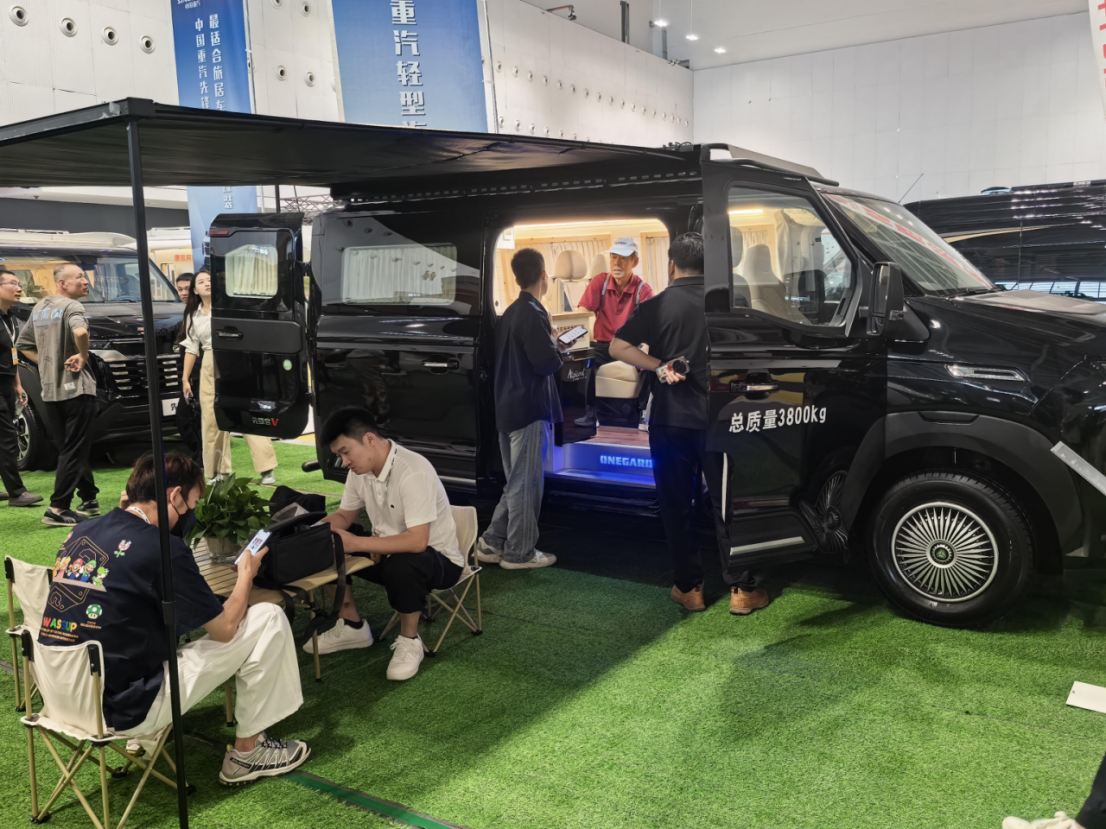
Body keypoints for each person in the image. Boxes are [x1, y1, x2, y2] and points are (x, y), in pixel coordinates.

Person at [37, 451, 309, 785]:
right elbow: (224, 630)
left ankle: (147, 737)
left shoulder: (81, 530)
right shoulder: (163, 548)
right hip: (122, 710)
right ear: (175, 496)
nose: (190, 514)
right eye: (192, 505)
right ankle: (248, 753)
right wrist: (246, 574)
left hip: (56, 694)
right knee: (267, 617)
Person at [609, 232, 769, 616]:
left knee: (677, 506)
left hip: (670, 422)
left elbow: (617, 346)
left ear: (671, 264)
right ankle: (742, 590)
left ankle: (689, 589)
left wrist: (659, 366)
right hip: (722, 421)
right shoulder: (731, 304)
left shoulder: (656, 304)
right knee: (728, 505)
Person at [306, 407, 464, 681]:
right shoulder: (359, 470)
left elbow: (417, 542)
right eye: (339, 455)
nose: (344, 462)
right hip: (384, 553)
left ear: (369, 439)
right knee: (328, 541)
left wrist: (355, 543)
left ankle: (410, 641)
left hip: (439, 561)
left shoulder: (413, 471)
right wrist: (309, 535)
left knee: (404, 563)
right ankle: (352, 626)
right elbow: (344, 516)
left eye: (346, 452)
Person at [476, 248, 563, 570]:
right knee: (526, 486)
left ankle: (491, 542)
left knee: (515, 483)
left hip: (508, 406)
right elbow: (546, 363)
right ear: (543, 276)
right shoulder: (533, 313)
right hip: (529, 409)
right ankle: (519, 553)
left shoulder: (511, 312)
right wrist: (555, 342)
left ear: (516, 279)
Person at [15, 263, 99, 526]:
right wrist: (82, 355)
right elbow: (81, 332)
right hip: (77, 389)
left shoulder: (40, 308)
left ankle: (88, 497)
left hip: (51, 391)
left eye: (85, 277)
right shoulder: (72, 307)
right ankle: (58, 509)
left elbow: (22, 344)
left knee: (68, 448)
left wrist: (47, 364)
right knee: (74, 449)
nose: (85, 281)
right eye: (79, 277)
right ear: (62, 283)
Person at [179, 270, 278, 485]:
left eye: (209, 280)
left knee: (247, 412)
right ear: (195, 290)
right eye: (201, 282)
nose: (207, 283)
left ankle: (267, 469)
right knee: (211, 419)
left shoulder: (230, 307)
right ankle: (217, 471)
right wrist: (185, 378)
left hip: (236, 361)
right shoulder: (193, 315)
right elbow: (191, 348)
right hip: (209, 364)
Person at [574, 237, 654, 427]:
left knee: (651, 361)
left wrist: (646, 347)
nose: (616, 263)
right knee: (583, 361)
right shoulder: (599, 282)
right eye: (613, 257)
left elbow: (652, 327)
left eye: (623, 258)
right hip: (603, 346)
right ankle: (590, 413)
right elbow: (582, 313)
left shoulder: (643, 290)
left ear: (634, 262)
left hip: (629, 347)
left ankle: (644, 414)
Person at [0, 270, 42, 508]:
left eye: (19, 283)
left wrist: (17, 384)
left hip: (7, 383)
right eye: (12, 283)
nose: (19, 288)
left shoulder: (10, 318)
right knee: (7, 439)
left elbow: (12, 354)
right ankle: (17, 493)